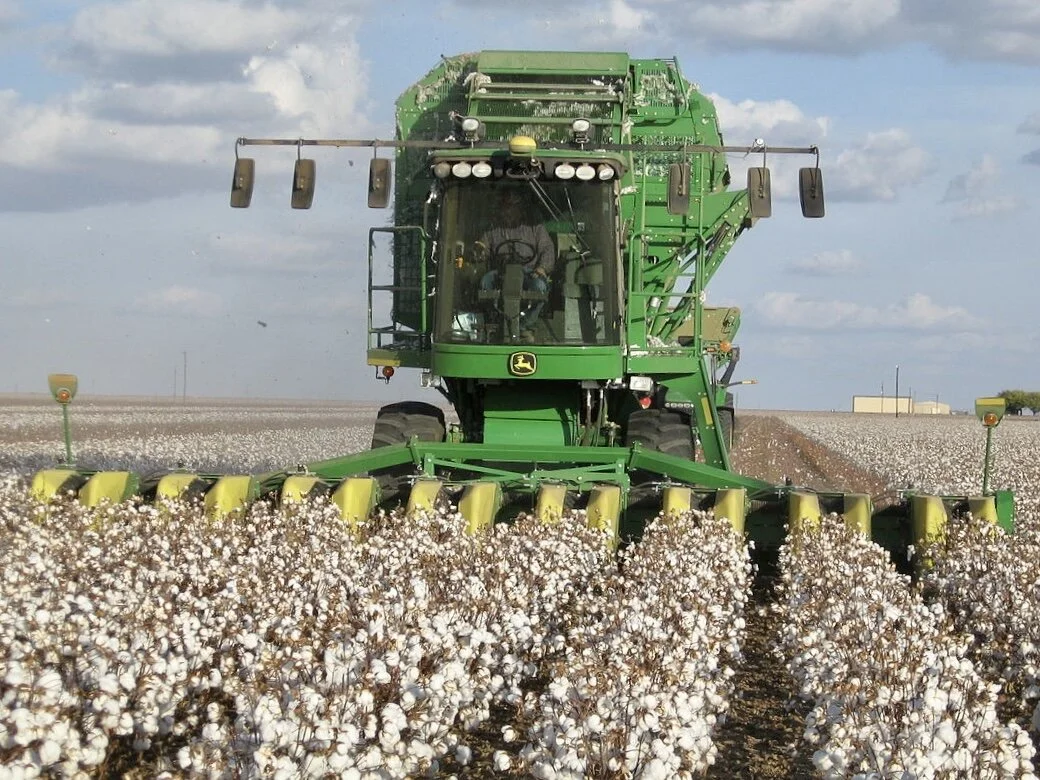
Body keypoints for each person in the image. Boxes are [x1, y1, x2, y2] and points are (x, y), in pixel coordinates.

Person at [475, 190, 555, 338]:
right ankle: (496, 321)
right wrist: (479, 251)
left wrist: (542, 268)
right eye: (506, 207)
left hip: (529, 272)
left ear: (520, 209)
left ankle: (525, 325)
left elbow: (547, 248)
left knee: (540, 288)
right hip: (501, 272)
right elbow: (483, 248)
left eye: (513, 207)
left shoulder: (535, 227)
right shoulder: (493, 229)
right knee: (485, 283)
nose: (509, 211)